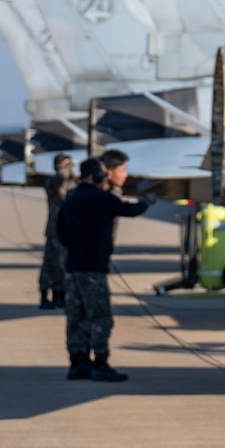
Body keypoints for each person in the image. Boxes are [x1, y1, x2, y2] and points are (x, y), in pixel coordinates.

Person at [54, 149, 153, 381]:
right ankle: (100, 363)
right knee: (100, 316)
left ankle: (78, 363)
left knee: (76, 317)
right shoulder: (101, 199)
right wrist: (147, 201)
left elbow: (61, 235)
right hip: (93, 267)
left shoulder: (70, 199)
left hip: (73, 267)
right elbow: (130, 210)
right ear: (96, 175)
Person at [37, 153, 77, 309]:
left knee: (64, 265)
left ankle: (60, 295)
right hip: (54, 231)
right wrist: (65, 170)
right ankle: (44, 295)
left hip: (69, 232)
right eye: (66, 165)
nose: (70, 168)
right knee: (50, 264)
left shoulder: (73, 185)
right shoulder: (52, 183)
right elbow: (59, 179)